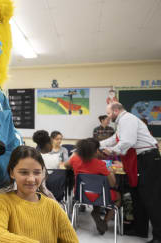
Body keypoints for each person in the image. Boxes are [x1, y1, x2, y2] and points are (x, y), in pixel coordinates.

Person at [0, 145, 78, 243]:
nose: (31, 179)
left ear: (43, 173)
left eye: (37, 173)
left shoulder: (53, 207)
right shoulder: (1, 202)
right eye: (24, 172)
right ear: (12, 173)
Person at [100, 102, 161, 243]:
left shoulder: (127, 119)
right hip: (142, 159)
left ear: (116, 110)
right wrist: (98, 144)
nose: (108, 117)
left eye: (109, 113)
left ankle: (158, 237)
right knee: (140, 196)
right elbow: (115, 138)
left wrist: (112, 150)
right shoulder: (122, 122)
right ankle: (142, 230)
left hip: (147, 159)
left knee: (151, 199)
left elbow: (127, 142)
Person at [64, 138, 120, 235]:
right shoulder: (101, 164)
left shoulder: (75, 159)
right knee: (118, 197)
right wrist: (110, 171)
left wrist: (74, 156)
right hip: (99, 195)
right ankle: (104, 221)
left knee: (94, 192)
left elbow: (66, 165)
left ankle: (96, 211)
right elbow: (112, 183)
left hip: (80, 194)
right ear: (95, 151)